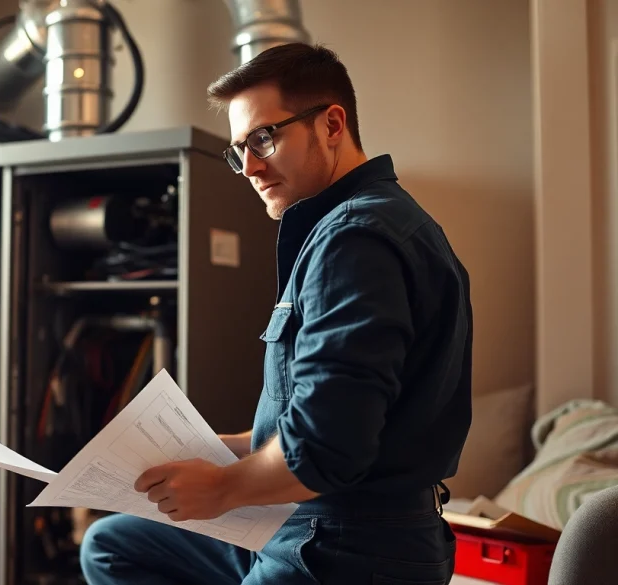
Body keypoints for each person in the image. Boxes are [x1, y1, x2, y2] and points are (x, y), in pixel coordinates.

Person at [79, 42, 473, 585]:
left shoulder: (354, 239)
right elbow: (316, 414)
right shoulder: (368, 226)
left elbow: (325, 448)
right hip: (318, 525)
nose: (250, 168)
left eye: (264, 138)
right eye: (240, 150)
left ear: (333, 124)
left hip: (345, 545)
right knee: (112, 545)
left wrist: (219, 489)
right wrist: (210, 449)